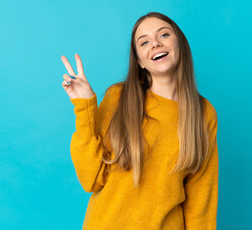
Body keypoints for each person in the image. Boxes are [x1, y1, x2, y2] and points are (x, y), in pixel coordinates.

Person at [61, 12, 218, 230]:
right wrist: (85, 107)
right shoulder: (118, 97)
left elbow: (202, 201)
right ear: (139, 61)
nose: (155, 43)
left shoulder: (204, 113)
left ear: (180, 44)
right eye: (144, 42)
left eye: (163, 35)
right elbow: (91, 179)